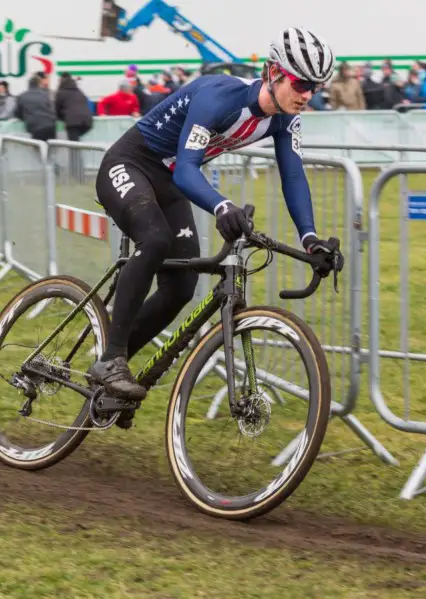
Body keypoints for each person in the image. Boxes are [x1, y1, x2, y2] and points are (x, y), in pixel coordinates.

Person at [87, 26, 345, 427]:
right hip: (130, 165)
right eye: (300, 83)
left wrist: (310, 240)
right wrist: (222, 206)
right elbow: (188, 169)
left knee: (181, 288)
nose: (308, 94)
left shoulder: (285, 119)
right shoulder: (218, 97)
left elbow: (293, 177)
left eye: (316, 86)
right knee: (154, 240)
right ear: (272, 72)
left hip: (169, 184)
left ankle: (112, 380)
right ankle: (110, 359)